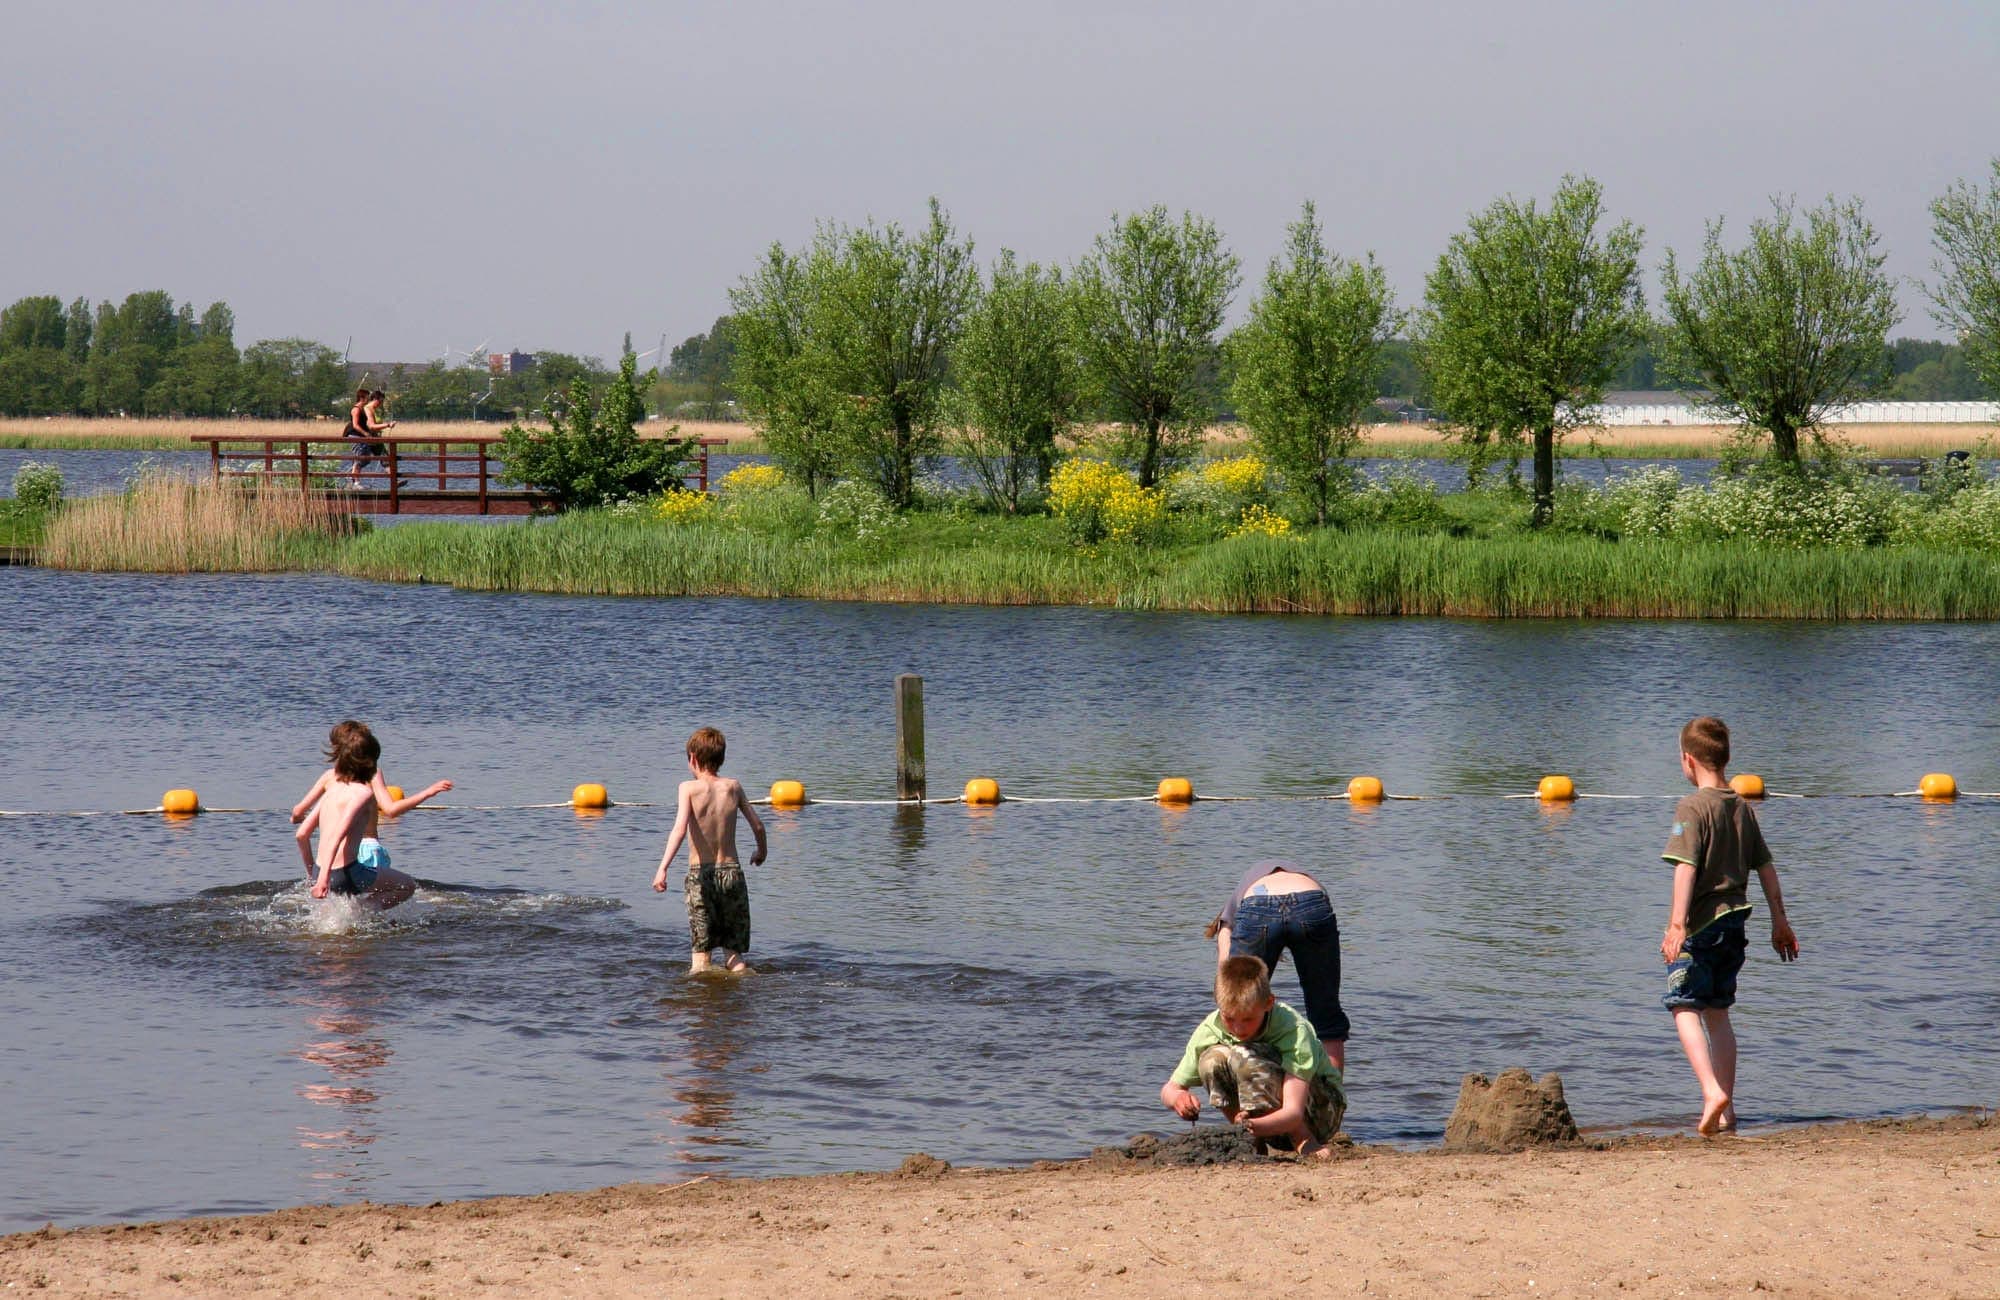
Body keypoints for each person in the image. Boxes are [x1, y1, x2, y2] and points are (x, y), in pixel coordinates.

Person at [1660, 715, 1799, 1136]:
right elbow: (1767, 868)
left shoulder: (1692, 806)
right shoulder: (1741, 806)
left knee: (1682, 1004)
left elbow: (1684, 869)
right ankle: (1728, 1111)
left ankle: (1710, 1092)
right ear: (1727, 758)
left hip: (1701, 925)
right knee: (1718, 1013)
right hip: (1736, 924)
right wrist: (1781, 921)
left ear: (1687, 761)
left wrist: (1676, 925)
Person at [1160, 955, 1346, 1159]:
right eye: (1229, 1018)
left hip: (1319, 1113)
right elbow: (1169, 1089)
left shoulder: (1293, 1029)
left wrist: (1254, 1126)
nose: (1238, 1028)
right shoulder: (1209, 1028)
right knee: (1211, 1059)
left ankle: (1302, 1138)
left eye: (1248, 1018)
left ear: (1268, 1003)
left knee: (1244, 1054)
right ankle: (1250, 1140)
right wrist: (1178, 1098)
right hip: (1258, 1125)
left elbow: (1293, 1111)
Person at [1204, 859, 1349, 1069]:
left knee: (1238, 1006)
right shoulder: (1296, 874)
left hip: (1259, 904)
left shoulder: (1230, 912)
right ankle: (1333, 1096)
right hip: (1312, 901)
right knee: (1326, 1014)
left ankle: (1244, 1093)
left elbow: (1226, 973)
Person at [292, 721, 451, 909]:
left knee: (339, 905)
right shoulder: (365, 787)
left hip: (322, 865)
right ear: (369, 760)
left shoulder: (331, 784)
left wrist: (314, 875)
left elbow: (301, 830)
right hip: (352, 863)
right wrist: (428, 793)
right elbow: (386, 812)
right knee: (406, 886)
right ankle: (363, 915)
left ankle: (349, 922)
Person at [652, 726, 767, 974]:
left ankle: (703, 1004)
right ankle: (742, 995)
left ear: (692, 758)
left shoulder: (688, 788)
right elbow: (758, 825)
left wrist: (662, 869)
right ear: (721, 758)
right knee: (733, 955)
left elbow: (679, 830)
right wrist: (761, 853)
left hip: (700, 876)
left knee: (701, 956)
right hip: (732, 874)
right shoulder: (733, 787)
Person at [342, 387, 394, 489]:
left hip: (362, 436)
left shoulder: (364, 409)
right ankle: (354, 482)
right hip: (355, 435)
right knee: (360, 458)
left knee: (365, 459)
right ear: (362, 397)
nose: (368, 399)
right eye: (367, 397)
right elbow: (355, 425)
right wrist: (366, 434)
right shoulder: (356, 409)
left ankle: (352, 479)